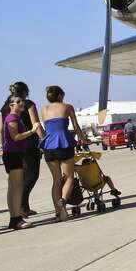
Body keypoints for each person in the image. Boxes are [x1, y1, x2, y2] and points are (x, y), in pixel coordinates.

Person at [0, 81, 42, 218]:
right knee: (32, 175)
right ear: (25, 91)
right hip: (28, 142)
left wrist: (4, 145)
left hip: (11, 147)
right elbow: (36, 124)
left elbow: (0, 130)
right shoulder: (27, 104)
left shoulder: (4, 108)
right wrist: (44, 140)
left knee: (18, 179)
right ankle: (21, 205)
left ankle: (24, 207)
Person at [40, 86, 85, 223]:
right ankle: (63, 200)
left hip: (48, 146)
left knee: (56, 180)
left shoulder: (44, 109)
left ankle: (57, 213)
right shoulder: (68, 107)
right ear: (60, 96)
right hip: (64, 144)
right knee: (69, 177)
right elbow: (76, 127)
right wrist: (84, 139)